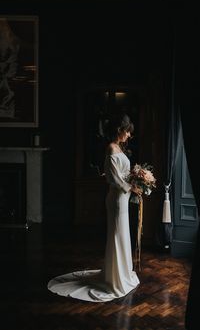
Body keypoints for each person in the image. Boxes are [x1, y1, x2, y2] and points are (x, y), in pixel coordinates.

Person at [47, 113, 142, 302]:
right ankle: (115, 279)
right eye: (127, 131)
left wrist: (137, 178)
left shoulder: (118, 148)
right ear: (120, 130)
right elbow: (113, 179)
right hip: (116, 199)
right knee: (116, 235)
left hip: (123, 198)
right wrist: (133, 187)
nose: (129, 135)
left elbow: (122, 175)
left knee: (122, 234)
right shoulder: (111, 149)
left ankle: (120, 273)